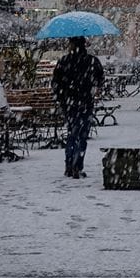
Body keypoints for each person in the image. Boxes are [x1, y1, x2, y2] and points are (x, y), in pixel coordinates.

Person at [51, 36, 104, 178]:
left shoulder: (64, 61)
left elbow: (55, 83)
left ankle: (69, 165)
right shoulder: (92, 61)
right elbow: (100, 80)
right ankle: (77, 166)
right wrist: (92, 89)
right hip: (86, 103)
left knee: (72, 134)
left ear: (72, 44)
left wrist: (63, 98)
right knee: (82, 136)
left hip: (69, 104)